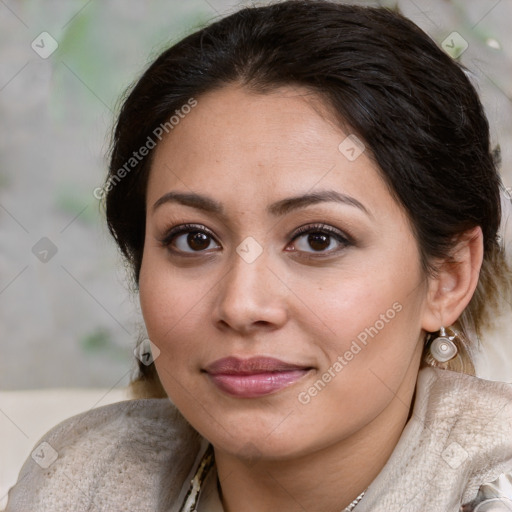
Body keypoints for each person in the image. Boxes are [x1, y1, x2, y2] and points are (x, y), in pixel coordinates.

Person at [5, 1, 512, 511]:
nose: (242, 305)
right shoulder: (78, 479)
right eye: (194, 239)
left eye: (318, 239)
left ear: (448, 277)